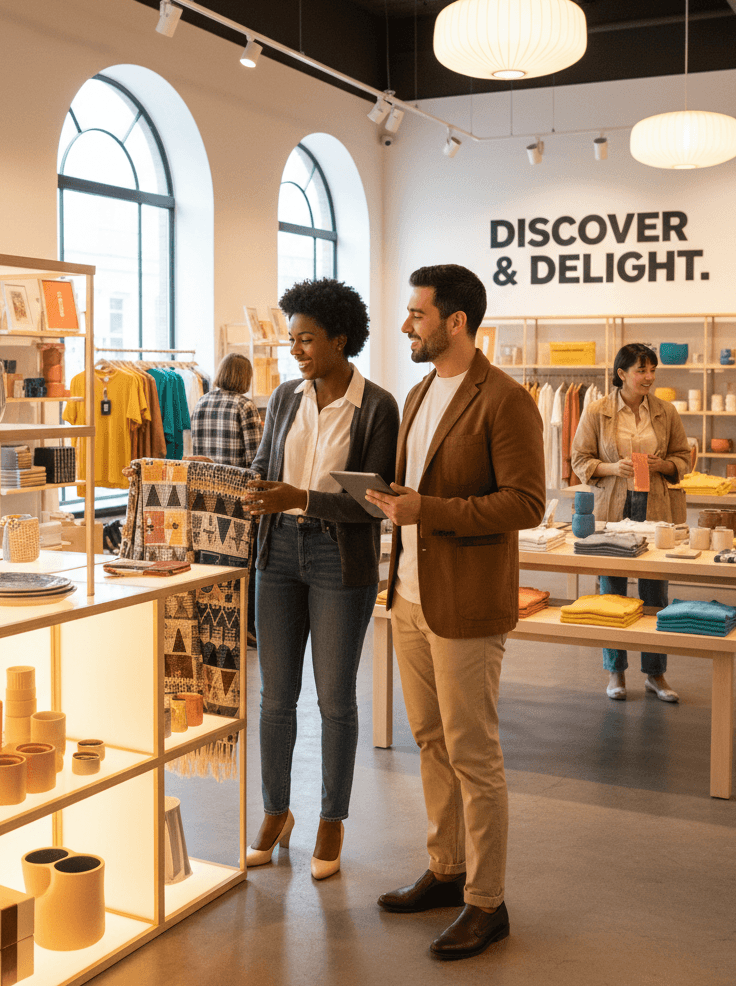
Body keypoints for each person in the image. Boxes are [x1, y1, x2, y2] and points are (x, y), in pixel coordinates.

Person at [366, 264, 544, 961]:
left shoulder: (505, 399)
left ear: (456, 321)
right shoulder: (417, 394)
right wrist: (387, 499)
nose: (406, 325)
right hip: (409, 595)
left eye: (417, 314)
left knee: (473, 752)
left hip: (466, 602)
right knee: (431, 741)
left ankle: (488, 902)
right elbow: (419, 490)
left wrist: (427, 509)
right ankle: (447, 869)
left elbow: (525, 503)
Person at [242, 278, 398, 881]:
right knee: (275, 697)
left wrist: (299, 497)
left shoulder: (377, 406)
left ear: (340, 339)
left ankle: (332, 819)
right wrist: (255, 489)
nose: (296, 350)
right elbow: (265, 464)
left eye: (306, 339)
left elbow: (372, 502)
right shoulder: (285, 397)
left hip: (340, 558)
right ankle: (275, 811)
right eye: (292, 340)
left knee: (335, 699)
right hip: (277, 552)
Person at [570, 343, 691, 702]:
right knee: (612, 593)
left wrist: (662, 465)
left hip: (655, 507)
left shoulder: (666, 411)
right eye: (642, 370)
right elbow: (579, 459)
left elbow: (683, 458)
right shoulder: (597, 410)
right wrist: (612, 467)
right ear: (622, 374)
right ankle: (616, 672)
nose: (649, 377)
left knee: (656, 595)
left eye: (652, 370)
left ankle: (656, 674)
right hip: (613, 509)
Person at [188, 352, 263, 467]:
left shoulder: (201, 402)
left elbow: (196, 448)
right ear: (245, 377)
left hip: (203, 476)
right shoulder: (245, 405)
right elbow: (255, 456)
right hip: (235, 477)